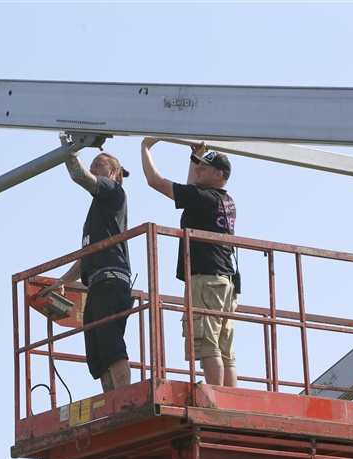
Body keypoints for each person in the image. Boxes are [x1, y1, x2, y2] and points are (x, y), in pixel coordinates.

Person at [140, 138, 238, 387]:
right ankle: (230, 400)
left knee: (207, 344)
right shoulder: (225, 200)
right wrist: (195, 159)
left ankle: (215, 399)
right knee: (224, 347)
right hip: (225, 282)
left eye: (203, 168)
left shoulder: (204, 198)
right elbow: (190, 191)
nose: (197, 170)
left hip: (205, 280)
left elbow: (155, 181)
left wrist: (145, 148)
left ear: (218, 174)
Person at [40, 134, 133, 393]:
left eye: (98, 164)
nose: (92, 168)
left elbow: (79, 176)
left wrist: (68, 150)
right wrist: (61, 282)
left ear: (113, 172)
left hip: (111, 280)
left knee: (111, 345)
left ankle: (125, 399)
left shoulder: (114, 191)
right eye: (91, 164)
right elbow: (87, 258)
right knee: (98, 354)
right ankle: (113, 402)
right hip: (98, 281)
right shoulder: (99, 213)